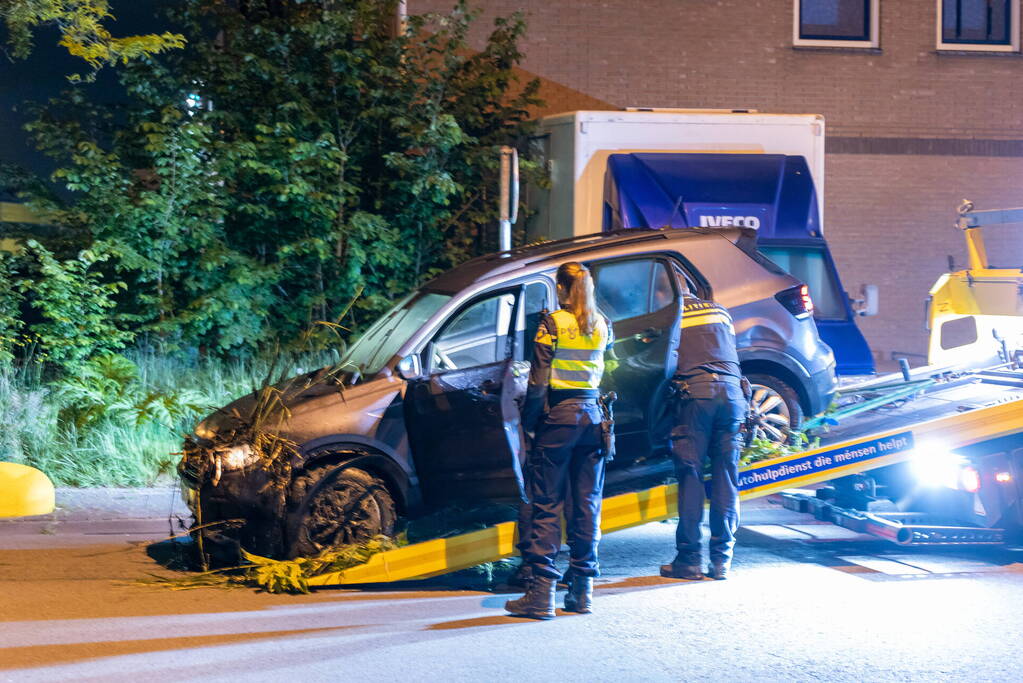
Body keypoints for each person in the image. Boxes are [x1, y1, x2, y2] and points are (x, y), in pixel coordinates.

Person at [505, 262, 614, 619]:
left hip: (560, 419)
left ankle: (540, 594)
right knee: (587, 504)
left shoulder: (552, 324)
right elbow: (608, 369)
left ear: (563, 289)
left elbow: (538, 383)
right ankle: (582, 592)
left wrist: (530, 422)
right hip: (594, 418)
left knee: (547, 503)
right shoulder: (602, 325)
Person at [660, 288, 747, 581]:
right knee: (726, 477)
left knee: (692, 476)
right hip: (733, 396)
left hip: (697, 397)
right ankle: (721, 561)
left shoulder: (675, 313)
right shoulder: (720, 310)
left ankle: (689, 561)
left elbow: (664, 361)